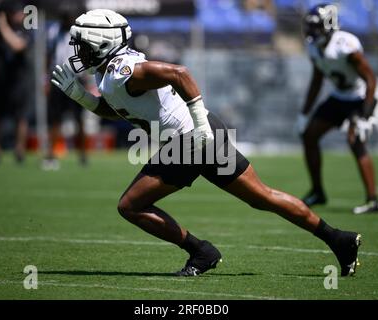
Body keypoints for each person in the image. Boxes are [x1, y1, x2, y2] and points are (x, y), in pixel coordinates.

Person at [51, 9, 361, 277]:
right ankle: (339, 239)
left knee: (130, 206)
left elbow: (180, 74)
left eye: (85, 46)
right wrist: (81, 97)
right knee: (262, 197)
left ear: (104, 44)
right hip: (199, 136)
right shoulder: (113, 73)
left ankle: (201, 251)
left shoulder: (124, 70)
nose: (80, 53)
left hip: (190, 142)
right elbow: (120, 108)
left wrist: (199, 127)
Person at [297, 4, 378, 215]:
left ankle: (373, 200)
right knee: (309, 136)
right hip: (338, 97)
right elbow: (316, 81)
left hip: (359, 97)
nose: (311, 33)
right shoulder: (314, 47)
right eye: (310, 28)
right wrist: (304, 113)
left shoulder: (345, 44)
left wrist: (366, 114)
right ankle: (318, 192)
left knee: (355, 142)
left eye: (315, 27)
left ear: (328, 25)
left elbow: (371, 80)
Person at [43, 9, 88, 171]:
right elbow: (48, 56)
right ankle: (52, 154)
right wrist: (46, 80)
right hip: (58, 77)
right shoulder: (54, 31)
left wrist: (87, 78)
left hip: (77, 78)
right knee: (55, 119)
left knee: (79, 119)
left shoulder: (80, 31)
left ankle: (83, 154)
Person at [0, 0, 31, 164]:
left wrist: (3, 26)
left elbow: (17, 45)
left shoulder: (23, 30)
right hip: (0, 77)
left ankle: (19, 150)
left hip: (18, 79)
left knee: (21, 116)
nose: (20, 15)